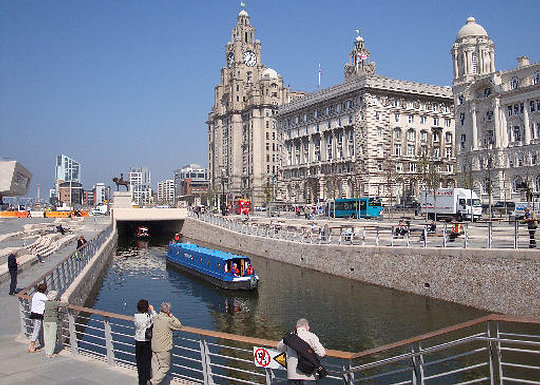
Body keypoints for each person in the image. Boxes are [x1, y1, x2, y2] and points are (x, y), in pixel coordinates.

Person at [277, 318, 325, 384]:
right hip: (308, 375)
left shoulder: (289, 337)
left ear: (296, 327)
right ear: (307, 327)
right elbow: (321, 353)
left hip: (292, 376)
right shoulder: (311, 336)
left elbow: (280, 348)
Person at [148, 302, 183, 385]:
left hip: (154, 346)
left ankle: (155, 382)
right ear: (168, 311)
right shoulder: (168, 320)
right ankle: (152, 382)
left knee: (155, 367)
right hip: (163, 348)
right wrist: (171, 315)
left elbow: (154, 314)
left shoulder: (156, 318)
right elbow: (178, 325)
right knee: (165, 367)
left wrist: (152, 310)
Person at [134, 299, 156, 385]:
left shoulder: (136, 317)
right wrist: (152, 310)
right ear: (147, 308)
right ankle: (146, 379)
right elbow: (156, 317)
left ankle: (141, 381)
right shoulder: (149, 317)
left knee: (139, 361)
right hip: (146, 341)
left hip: (138, 340)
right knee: (147, 361)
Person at [43, 290, 67, 357]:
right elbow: (65, 304)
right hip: (52, 320)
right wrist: (63, 300)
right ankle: (50, 353)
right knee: (52, 336)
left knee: (46, 336)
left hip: (45, 320)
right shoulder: (55, 303)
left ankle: (47, 351)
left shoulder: (46, 302)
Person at [29, 283, 47, 352]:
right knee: (36, 330)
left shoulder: (35, 294)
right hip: (38, 314)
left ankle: (33, 344)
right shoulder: (43, 296)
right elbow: (49, 301)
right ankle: (32, 346)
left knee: (35, 329)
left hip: (33, 313)